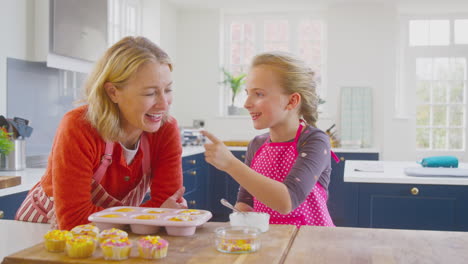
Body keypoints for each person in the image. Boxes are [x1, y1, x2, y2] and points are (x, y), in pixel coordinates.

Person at [15, 36, 187, 230]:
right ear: (113, 92)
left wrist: (152, 215)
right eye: (150, 93)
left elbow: (170, 208)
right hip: (43, 232)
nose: (164, 104)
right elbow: (73, 220)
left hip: (111, 237)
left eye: (168, 90)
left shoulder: (165, 130)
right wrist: (148, 217)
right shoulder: (79, 126)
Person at [202, 51, 338, 227]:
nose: (246, 103)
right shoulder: (257, 144)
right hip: (269, 242)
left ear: (292, 101)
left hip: (311, 244)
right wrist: (239, 221)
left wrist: (231, 164)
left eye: (258, 94)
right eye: (247, 93)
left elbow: (287, 201)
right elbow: (247, 201)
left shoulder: (314, 141)